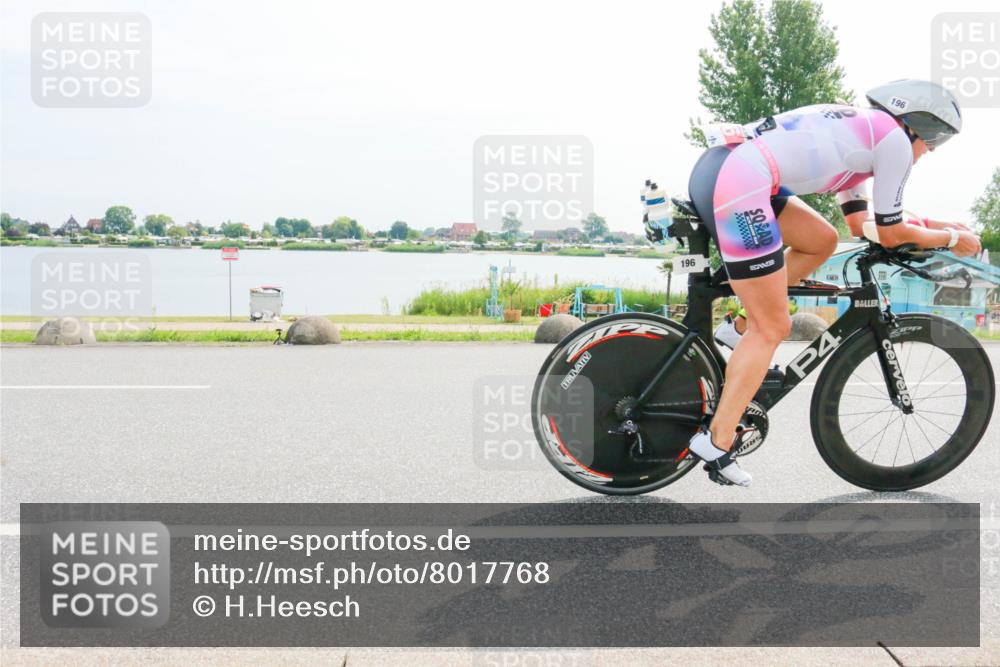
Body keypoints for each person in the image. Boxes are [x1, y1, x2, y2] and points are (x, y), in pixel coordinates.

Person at [681, 79, 982, 486]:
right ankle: (717, 442)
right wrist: (949, 240)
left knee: (820, 240)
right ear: (923, 125)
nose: (929, 152)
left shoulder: (868, 133)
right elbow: (892, 235)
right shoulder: (894, 141)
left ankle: (737, 330)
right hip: (741, 183)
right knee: (773, 327)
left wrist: (935, 225)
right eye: (935, 142)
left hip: (727, 168)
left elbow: (862, 222)